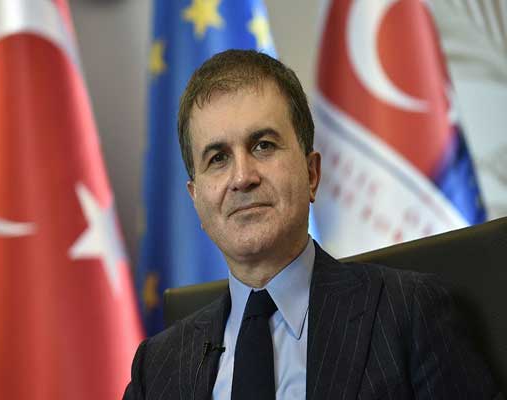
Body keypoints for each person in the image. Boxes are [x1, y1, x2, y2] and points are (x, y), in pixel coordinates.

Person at [124, 50, 500, 399]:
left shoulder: (410, 313)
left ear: (312, 173)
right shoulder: (156, 368)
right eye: (218, 158)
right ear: (196, 198)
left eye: (263, 145)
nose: (242, 177)